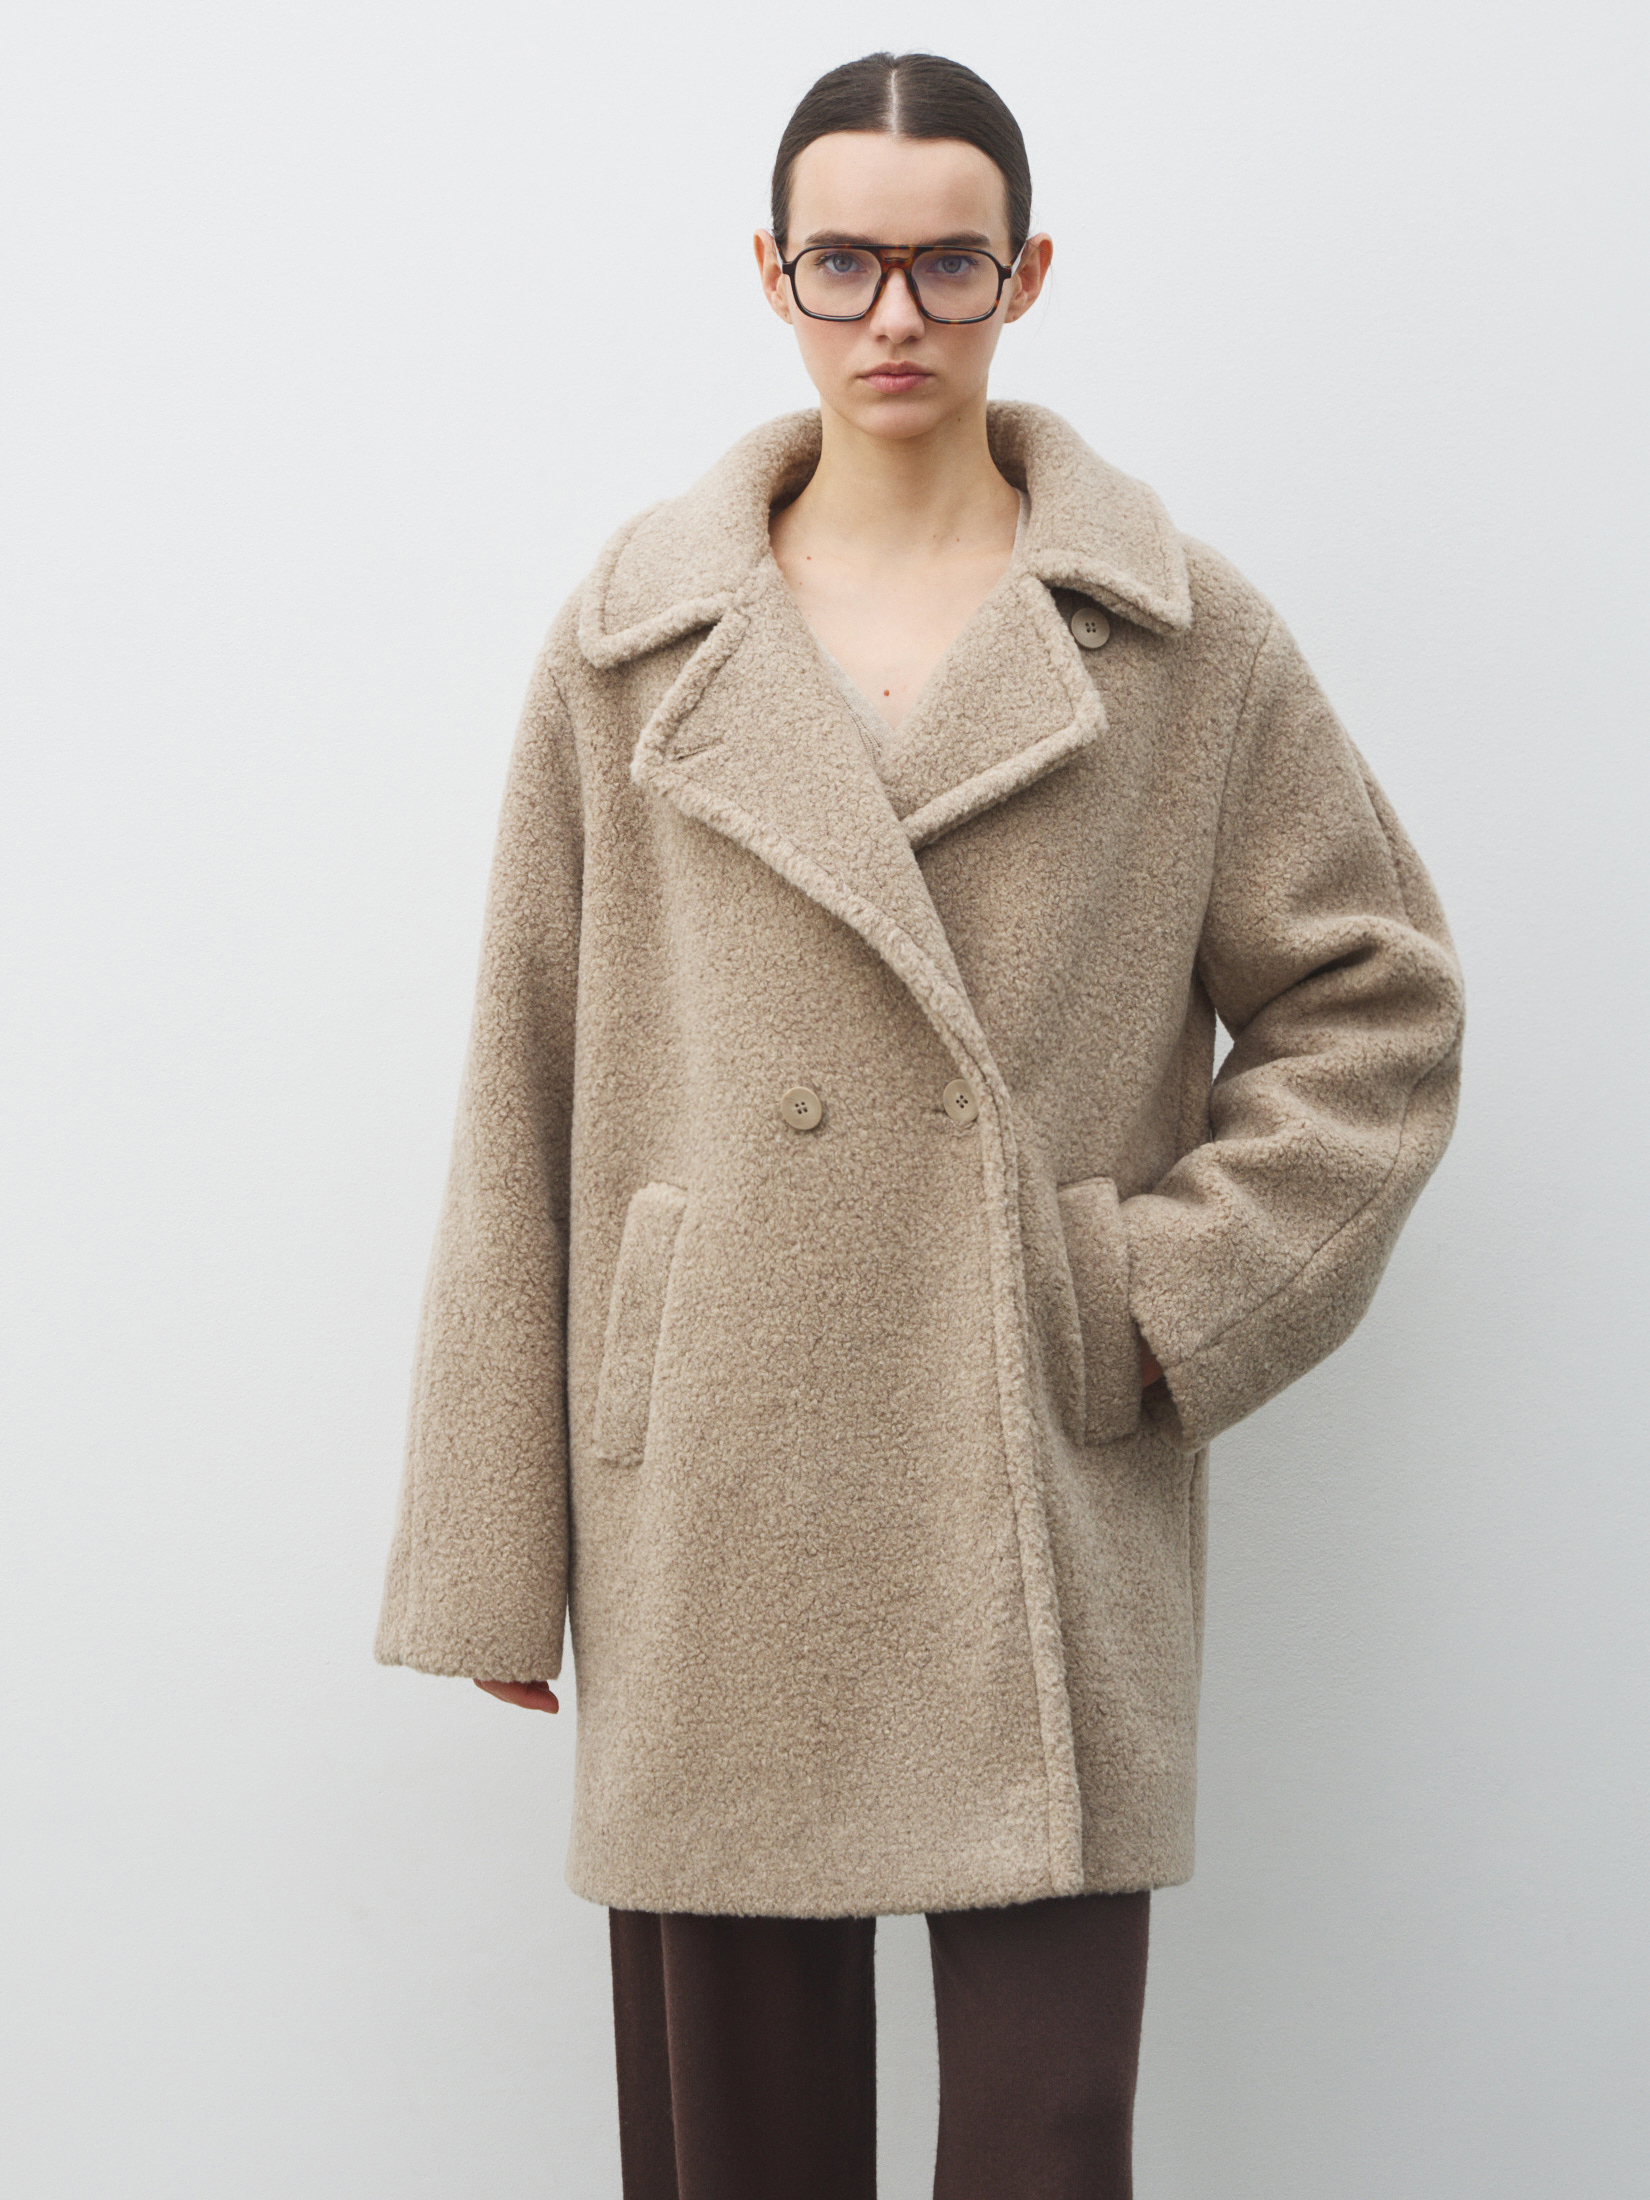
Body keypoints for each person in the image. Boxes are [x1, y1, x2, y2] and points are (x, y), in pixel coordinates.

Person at [374, 49, 1463, 2200]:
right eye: (846, 262)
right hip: (712, 1477)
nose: (895, 313)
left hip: (1035, 1462)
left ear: (1024, 274)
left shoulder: (1176, 639)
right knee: (745, 2148)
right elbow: (526, 1076)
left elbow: (1375, 1006)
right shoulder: (634, 640)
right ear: (770, 271)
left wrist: (1141, 1298)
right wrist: (494, 1550)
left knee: (1045, 2136)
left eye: (947, 263)